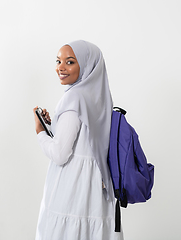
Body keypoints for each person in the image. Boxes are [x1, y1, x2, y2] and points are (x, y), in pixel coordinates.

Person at [33, 40, 124, 240]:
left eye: (70, 62)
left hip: (72, 188)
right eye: (58, 61)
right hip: (96, 188)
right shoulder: (102, 98)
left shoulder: (73, 98)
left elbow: (59, 154)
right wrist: (53, 127)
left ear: (87, 65)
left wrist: (40, 132)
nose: (61, 68)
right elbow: (86, 141)